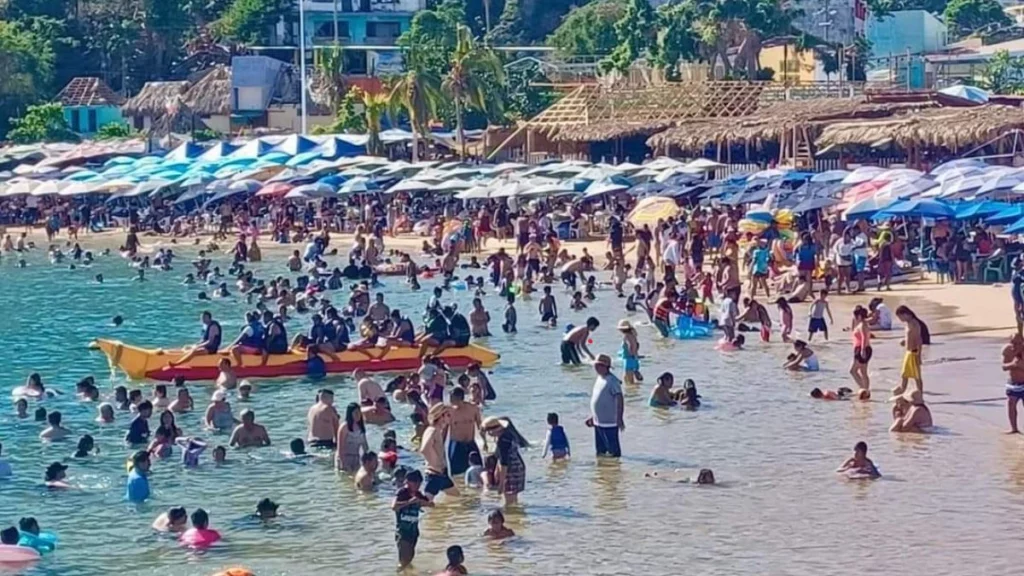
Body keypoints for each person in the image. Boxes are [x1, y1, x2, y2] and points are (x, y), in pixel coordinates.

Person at [482, 416, 528, 506]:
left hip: (511, 469)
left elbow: (504, 463)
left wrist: (501, 484)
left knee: (509, 500)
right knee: (513, 498)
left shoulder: (503, 441)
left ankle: (510, 517)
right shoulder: (508, 434)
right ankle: (516, 517)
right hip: (518, 466)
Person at [392, 469, 433, 569]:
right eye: (414, 482)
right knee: (403, 562)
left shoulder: (418, 494)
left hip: (413, 532)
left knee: (409, 559)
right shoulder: (402, 493)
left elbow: (432, 504)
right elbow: (394, 507)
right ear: (407, 481)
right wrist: (409, 502)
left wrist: (422, 502)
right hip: (403, 532)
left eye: (419, 483)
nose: (417, 485)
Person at [587, 354, 624, 458]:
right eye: (596, 365)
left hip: (610, 423)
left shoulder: (612, 381)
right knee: (600, 451)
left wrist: (619, 417)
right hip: (598, 422)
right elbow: (597, 399)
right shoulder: (599, 379)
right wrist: (593, 416)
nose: (596, 368)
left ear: (606, 367)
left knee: (614, 451)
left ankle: (615, 471)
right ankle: (603, 471)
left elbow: (619, 399)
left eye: (599, 366)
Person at [420, 403, 459, 500]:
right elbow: (424, 449)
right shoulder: (432, 430)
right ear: (441, 416)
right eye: (448, 415)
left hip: (442, 474)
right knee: (427, 504)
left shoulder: (437, 430)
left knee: (457, 498)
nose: (451, 418)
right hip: (434, 475)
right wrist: (436, 464)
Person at [447, 387, 486, 477]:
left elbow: (480, 426)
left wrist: (485, 441)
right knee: (457, 474)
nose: (450, 401)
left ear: (459, 398)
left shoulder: (473, 409)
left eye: (452, 398)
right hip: (456, 444)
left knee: (478, 469)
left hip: (470, 443)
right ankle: (461, 489)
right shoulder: (449, 411)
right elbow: (444, 429)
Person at [895, 305, 925, 395]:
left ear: (905, 314)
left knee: (916, 376)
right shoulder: (908, 323)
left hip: (913, 353)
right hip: (908, 353)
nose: (900, 319)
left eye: (900, 317)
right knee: (904, 375)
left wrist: (919, 356)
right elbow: (911, 336)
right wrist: (905, 341)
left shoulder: (914, 323)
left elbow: (919, 340)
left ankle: (920, 395)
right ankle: (901, 392)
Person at [335, 403, 368, 473]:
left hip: (356, 458)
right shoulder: (344, 427)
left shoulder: (361, 427)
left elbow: (365, 445)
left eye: (359, 413)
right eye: (356, 413)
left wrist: (367, 461)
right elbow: (340, 448)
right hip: (345, 457)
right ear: (350, 414)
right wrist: (344, 463)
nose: (358, 415)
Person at [1003, 333, 1024, 433]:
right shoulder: (1007, 350)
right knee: (1011, 404)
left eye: (1018, 343)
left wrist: (1021, 366)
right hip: (1013, 382)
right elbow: (1003, 367)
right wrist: (1013, 364)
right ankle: (1014, 428)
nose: (1015, 346)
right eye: (1013, 343)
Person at [850, 306, 872, 395]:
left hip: (862, 349)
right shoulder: (863, 324)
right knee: (863, 372)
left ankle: (863, 389)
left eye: (855, 316)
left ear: (859, 316)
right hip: (864, 348)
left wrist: (862, 350)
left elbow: (864, 337)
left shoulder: (862, 325)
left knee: (853, 371)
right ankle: (866, 390)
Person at [618, 319, 642, 385]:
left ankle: (632, 393)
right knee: (627, 379)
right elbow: (636, 346)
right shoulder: (633, 335)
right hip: (633, 359)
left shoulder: (627, 336)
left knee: (629, 381)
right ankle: (633, 392)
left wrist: (631, 353)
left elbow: (632, 346)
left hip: (629, 359)